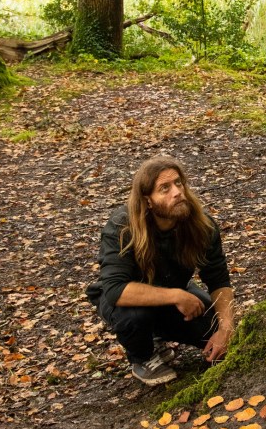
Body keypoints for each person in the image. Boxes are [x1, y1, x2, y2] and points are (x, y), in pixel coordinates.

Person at [86, 155, 235, 386]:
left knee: (215, 329)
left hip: (174, 293)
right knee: (135, 317)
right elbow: (115, 290)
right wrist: (176, 296)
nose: (176, 192)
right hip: (128, 302)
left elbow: (218, 279)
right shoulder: (122, 227)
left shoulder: (202, 225)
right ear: (148, 201)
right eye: (164, 188)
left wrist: (226, 329)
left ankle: (158, 333)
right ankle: (142, 357)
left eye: (178, 183)